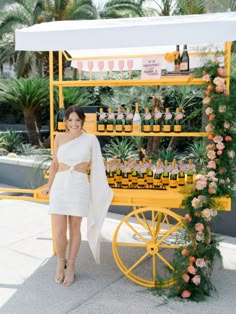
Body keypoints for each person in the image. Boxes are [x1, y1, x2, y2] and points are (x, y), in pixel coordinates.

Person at [42, 105, 113, 286]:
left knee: (75, 229)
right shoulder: (59, 137)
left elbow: (97, 166)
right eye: (70, 120)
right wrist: (49, 187)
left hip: (79, 185)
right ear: (65, 121)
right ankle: (60, 264)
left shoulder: (90, 140)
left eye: (77, 120)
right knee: (58, 231)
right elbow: (55, 165)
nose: (74, 123)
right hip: (60, 185)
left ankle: (71, 266)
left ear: (82, 121)